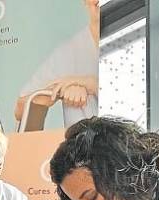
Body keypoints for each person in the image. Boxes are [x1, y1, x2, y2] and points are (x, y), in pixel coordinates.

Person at [14, 0, 99, 130]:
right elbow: (20, 111)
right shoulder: (67, 53)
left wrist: (90, 84)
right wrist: (57, 91)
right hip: (81, 148)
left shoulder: (137, 27)